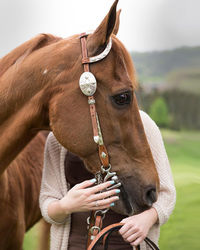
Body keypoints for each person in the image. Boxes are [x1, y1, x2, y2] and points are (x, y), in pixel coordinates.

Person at [39, 110, 176, 250]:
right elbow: (47, 203)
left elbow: (167, 194)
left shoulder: (142, 123)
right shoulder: (59, 133)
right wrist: (65, 206)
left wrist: (147, 218)